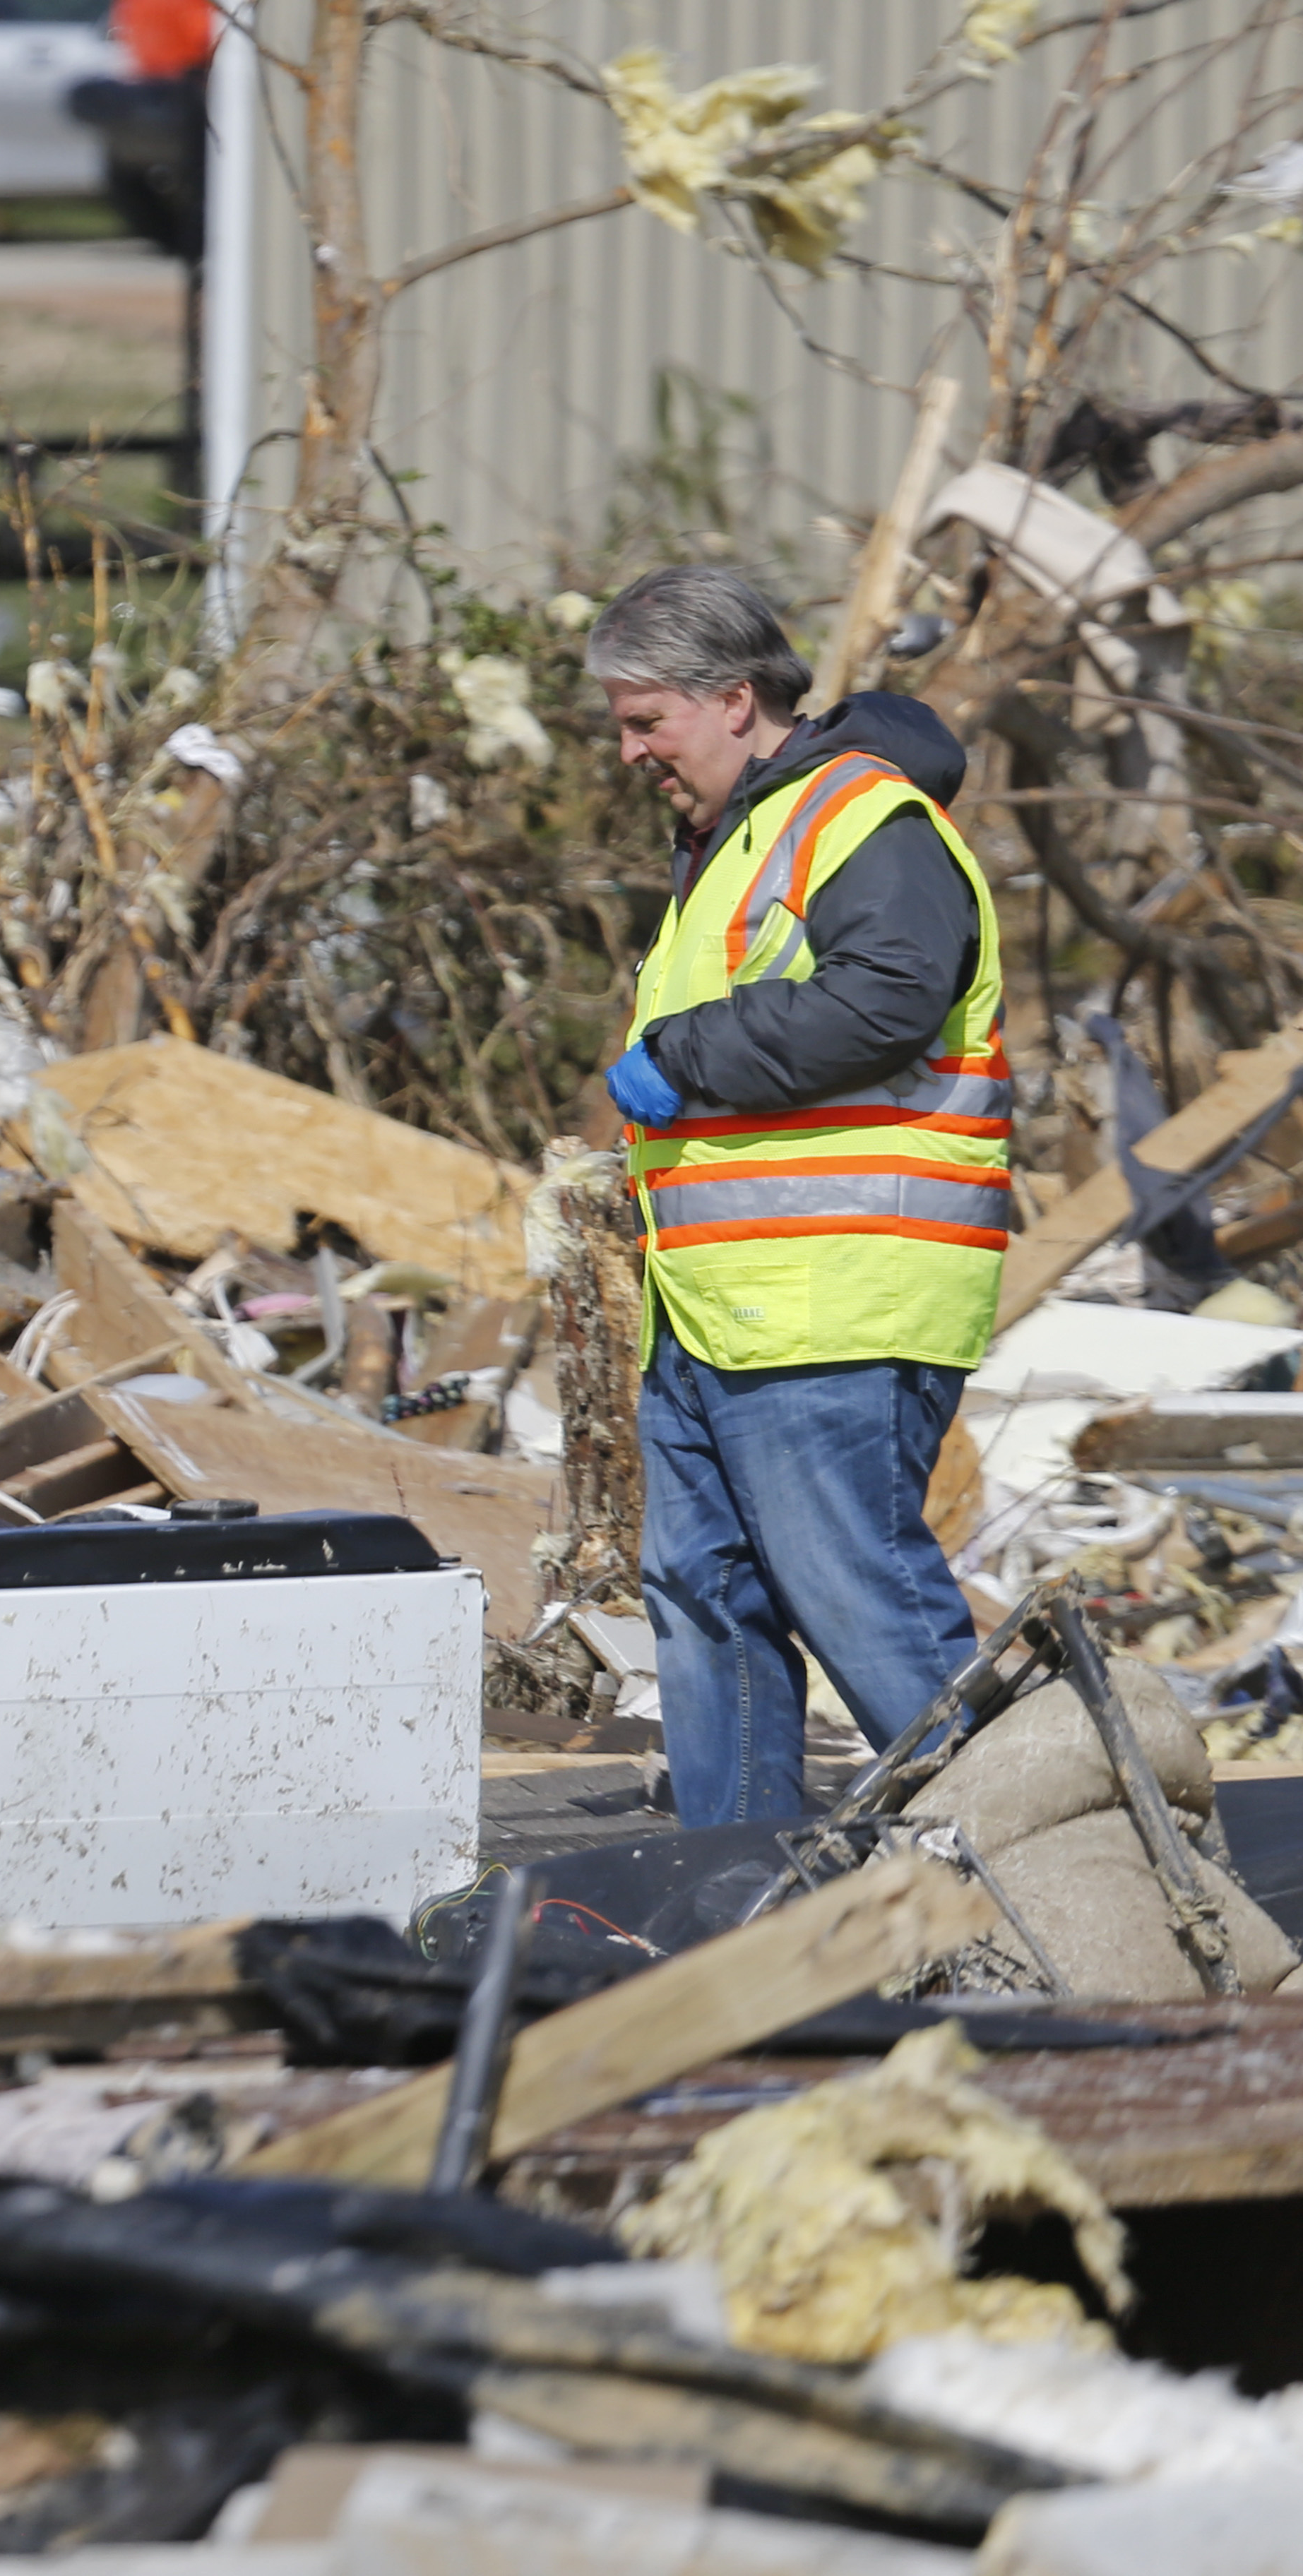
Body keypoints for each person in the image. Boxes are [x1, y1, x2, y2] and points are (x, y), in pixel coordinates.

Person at [586, 563, 1009, 1825]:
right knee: (706, 1595)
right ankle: (745, 1912)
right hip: (720, 1305)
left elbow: (887, 998)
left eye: (644, 720)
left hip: (834, 1299)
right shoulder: (737, 839)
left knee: (860, 1599)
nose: (628, 752)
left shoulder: (861, 819)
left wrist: (682, 1056)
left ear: (731, 700)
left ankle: (1055, 1866)